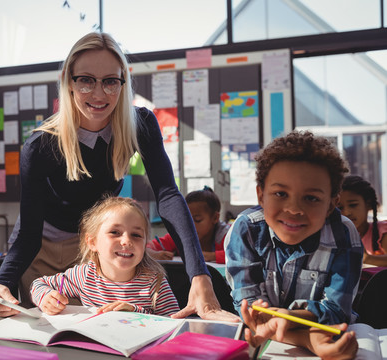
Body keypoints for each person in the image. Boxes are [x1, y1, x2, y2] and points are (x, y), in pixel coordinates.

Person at [0, 32, 237, 321]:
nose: (99, 94)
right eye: (86, 80)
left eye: (110, 81)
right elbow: (28, 231)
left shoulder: (140, 124)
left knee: (103, 326)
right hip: (42, 247)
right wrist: (2, 282)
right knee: (50, 331)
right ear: (69, 80)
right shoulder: (41, 144)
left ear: (123, 82)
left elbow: (167, 195)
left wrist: (198, 274)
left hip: (96, 245)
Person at [225, 130, 362, 357]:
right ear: (261, 196)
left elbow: (337, 310)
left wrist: (281, 321)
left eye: (311, 198)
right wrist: (307, 338)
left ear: (330, 205)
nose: (294, 209)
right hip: (279, 343)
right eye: (280, 193)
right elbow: (250, 310)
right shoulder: (246, 229)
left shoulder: (343, 234)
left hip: (328, 335)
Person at [31, 196, 180, 316]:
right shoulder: (84, 275)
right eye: (115, 232)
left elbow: (173, 324)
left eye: (136, 235)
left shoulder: (155, 282)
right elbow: (37, 284)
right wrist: (46, 297)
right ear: (92, 242)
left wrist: (136, 313)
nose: (127, 241)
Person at [147, 186, 230, 263]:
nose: (190, 225)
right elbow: (146, 248)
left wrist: (211, 256)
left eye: (197, 220)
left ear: (215, 218)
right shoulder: (180, 234)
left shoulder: (228, 235)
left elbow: (240, 255)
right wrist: (155, 254)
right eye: (186, 220)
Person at [339, 175, 387, 267]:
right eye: (340, 208)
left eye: (353, 205)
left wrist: (367, 258)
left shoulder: (382, 231)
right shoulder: (336, 237)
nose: (347, 212)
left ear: (368, 204)